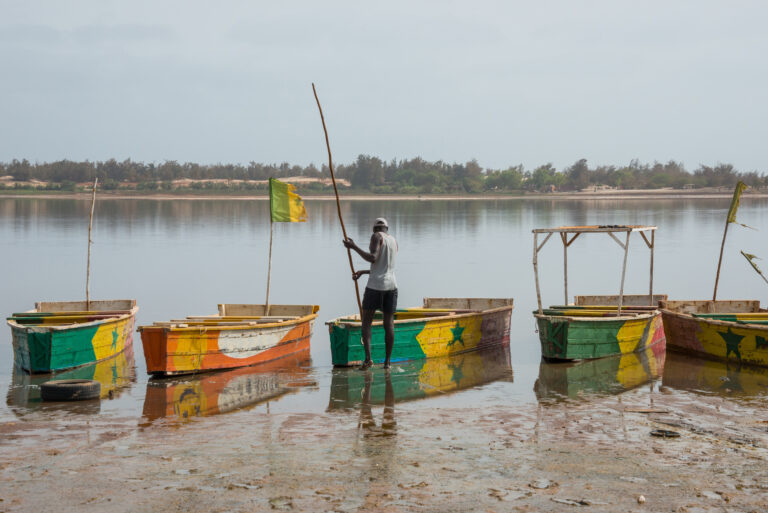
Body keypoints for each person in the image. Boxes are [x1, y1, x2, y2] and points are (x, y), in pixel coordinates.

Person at [343, 217, 398, 370]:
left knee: (366, 322)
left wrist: (353, 246)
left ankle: (368, 360)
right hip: (392, 286)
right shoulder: (393, 241)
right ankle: (387, 362)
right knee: (389, 324)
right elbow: (384, 267)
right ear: (387, 228)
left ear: (375, 229)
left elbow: (373, 258)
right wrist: (364, 272)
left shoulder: (376, 237)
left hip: (375, 286)